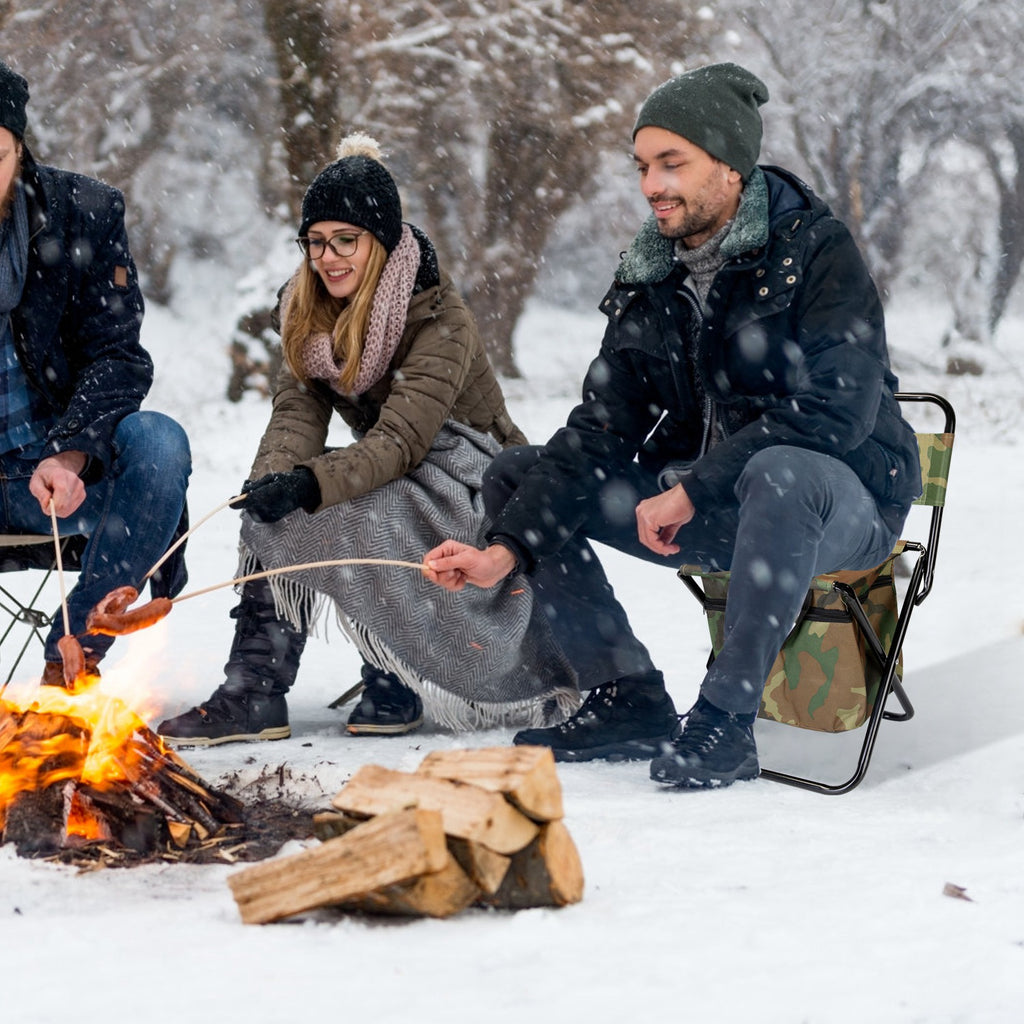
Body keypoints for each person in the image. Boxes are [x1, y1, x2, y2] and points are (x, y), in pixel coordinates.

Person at [424, 62, 921, 789]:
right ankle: (627, 694)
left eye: (672, 163)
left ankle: (724, 721)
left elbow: (834, 412)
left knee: (778, 470)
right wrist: (506, 549)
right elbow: (599, 429)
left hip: (834, 505)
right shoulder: (650, 274)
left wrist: (693, 489)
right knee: (518, 476)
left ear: (729, 165)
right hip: (713, 511)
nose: (653, 184)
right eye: (642, 166)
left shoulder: (816, 252)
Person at [157, 133, 577, 746]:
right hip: (392, 460)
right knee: (280, 513)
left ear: (378, 242)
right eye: (316, 241)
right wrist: (275, 478)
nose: (328, 257)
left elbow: (404, 439)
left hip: (473, 470)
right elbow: (295, 414)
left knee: (369, 506)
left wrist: (313, 482)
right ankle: (255, 689)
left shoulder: (438, 316)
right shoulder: (307, 311)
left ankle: (397, 673)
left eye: (345, 240)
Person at [0, 59, 191, 686]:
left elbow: (118, 355)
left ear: (20, 148)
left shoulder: (84, 212)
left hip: (65, 483)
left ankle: (71, 656)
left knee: (160, 443)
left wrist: (71, 453)